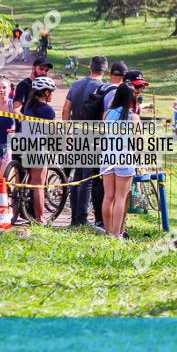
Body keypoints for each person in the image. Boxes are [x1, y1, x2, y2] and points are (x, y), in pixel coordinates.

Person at [62, 55, 108, 228]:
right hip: (93, 137)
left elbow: (66, 111)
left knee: (77, 176)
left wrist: (67, 133)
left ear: (89, 67)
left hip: (76, 135)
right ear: (106, 69)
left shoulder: (76, 85)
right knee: (87, 179)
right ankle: (81, 219)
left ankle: (75, 217)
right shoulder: (104, 88)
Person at [101, 83, 139, 238]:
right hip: (124, 157)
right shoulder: (133, 117)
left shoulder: (106, 114)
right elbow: (137, 142)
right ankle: (117, 234)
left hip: (107, 156)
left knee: (108, 196)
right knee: (121, 197)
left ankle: (108, 232)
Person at [22, 76, 57, 225]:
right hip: (39, 148)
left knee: (32, 180)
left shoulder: (28, 106)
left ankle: (26, 208)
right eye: (51, 92)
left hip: (26, 145)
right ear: (46, 92)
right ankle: (40, 217)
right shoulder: (48, 110)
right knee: (39, 184)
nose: (52, 95)